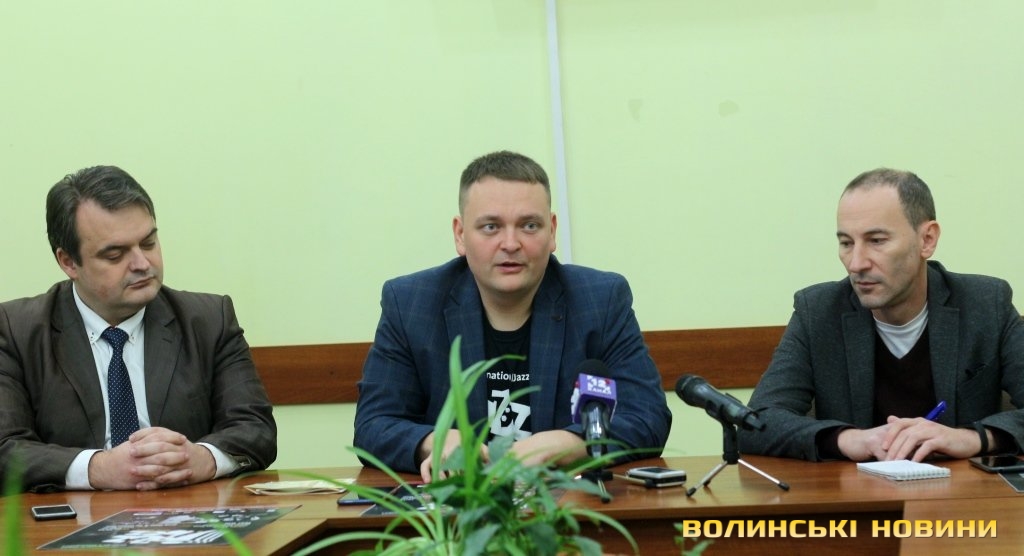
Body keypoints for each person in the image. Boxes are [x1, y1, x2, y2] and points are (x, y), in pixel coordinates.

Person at [354, 150, 671, 481]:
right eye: (491, 227)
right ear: (460, 235)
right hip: (458, 506)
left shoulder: (600, 300)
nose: (510, 243)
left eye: (529, 226)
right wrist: (436, 441)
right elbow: (373, 424)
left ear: (552, 230)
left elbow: (647, 416)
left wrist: (570, 443)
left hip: (567, 502)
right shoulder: (411, 304)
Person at [0, 165, 276, 492]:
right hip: (72, 518)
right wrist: (98, 468)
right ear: (69, 262)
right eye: (115, 254)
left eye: (148, 243)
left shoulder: (209, 320)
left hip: (186, 512)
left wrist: (202, 458)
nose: (142, 264)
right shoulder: (16, 331)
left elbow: (255, 429)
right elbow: (6, 449)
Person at [740, 168, 1024, 462]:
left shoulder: (986, 304)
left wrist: (973, 438)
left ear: (927, 240)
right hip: (855, 488)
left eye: (876, 240)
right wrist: (848, 439)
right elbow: (755, 423)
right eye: (846, 243)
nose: (856, 264)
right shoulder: (818, 311)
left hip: (962, 489)